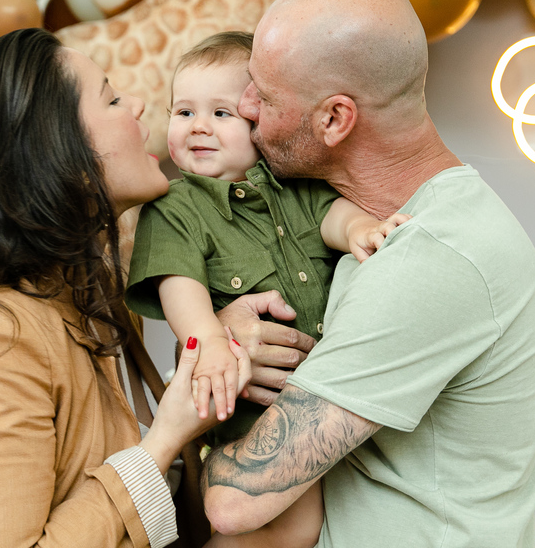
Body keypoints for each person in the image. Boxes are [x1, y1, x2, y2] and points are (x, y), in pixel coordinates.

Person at [202, 0, 535, 547]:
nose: (243, 108)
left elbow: (235, 501)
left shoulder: (430, 256)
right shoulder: (365, 225)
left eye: (264, 97)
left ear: (334, 119)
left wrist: (210, 370)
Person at [0, 27, 251, 548]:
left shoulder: (93, 299)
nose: (138, 105)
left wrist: (220, 344)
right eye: (111, 99)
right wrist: (165, 440)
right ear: (53, 149)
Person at [125, 32, 405, 548]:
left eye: (221, 113)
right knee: (286, 527)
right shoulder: (174, 207)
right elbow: (178, 285)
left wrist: (361, 228)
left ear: (260, 124)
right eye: (183, 112)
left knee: (326, 519)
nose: (198, 126)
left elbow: (332, 216)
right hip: (254, 406)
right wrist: (210, 340)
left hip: (325, 397)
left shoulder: (295, 187)